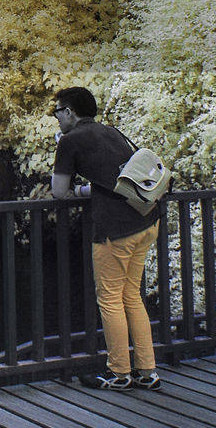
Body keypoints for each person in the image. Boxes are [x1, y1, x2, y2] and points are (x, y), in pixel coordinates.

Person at [50, 86, 162, 391]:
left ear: (69, 112)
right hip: (145, 221)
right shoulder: (110, 131)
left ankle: (119, 373)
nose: (56, 117)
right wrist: (86, 191)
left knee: (110, 300)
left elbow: (59, 192)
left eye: (57, 111)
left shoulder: (70, 141)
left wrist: (67, 163)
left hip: (115, 231)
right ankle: (147, 372)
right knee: (131, 296)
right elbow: (115, 181)